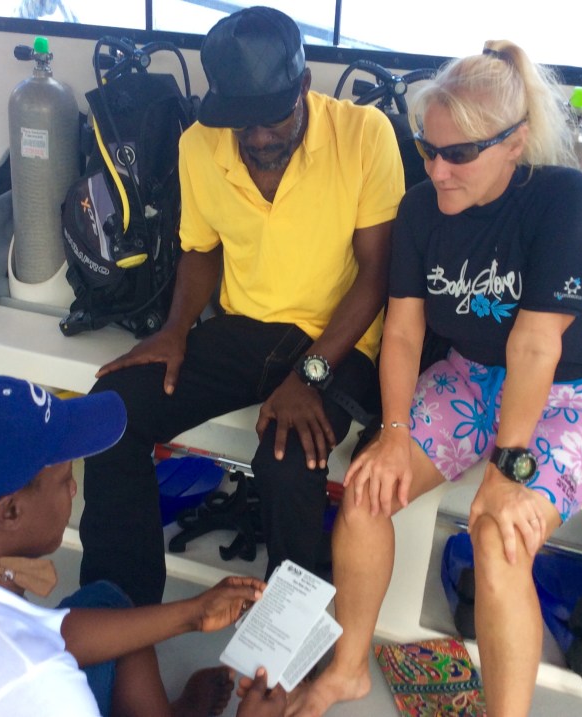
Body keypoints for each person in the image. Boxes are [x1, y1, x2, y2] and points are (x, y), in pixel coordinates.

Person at [290, 42, 582, 717]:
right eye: (426, 149)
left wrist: (507, 467)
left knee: (499, 533)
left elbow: (534, 345)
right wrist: (388, 433)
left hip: (564, 393)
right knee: (363, 491)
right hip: (469, 377)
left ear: (514, 142)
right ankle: (349, 667)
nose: (438, 170)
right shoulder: (419, 209)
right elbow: (405, 331)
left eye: (459, 155)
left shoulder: (563, 200)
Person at [79, 6, 404, 599]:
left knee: (287, 459)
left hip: (343, 341)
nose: (256, 138)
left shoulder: (364, 136)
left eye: (270, 118)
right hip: (248, 329)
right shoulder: (199, 145)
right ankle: (118, 614)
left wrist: (311, 374)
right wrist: (176, 328)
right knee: (112, 412)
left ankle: (289, 653)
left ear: (304, 86)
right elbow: (200, 251)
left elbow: (377, 274)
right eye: (238, 122)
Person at [0, 374, 278, 717]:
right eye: (64, 480)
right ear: (10, 511)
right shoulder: (35, 681)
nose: (74, 492)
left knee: (113, 608)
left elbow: (44, 633)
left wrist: (191, 614)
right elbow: (27, 659)